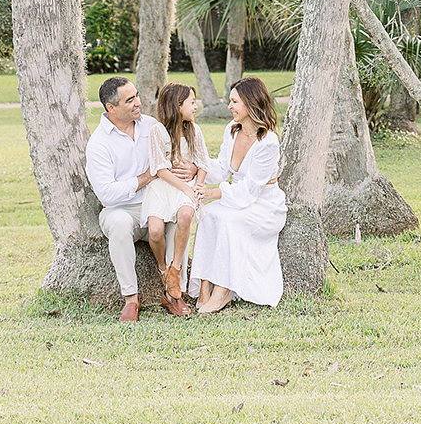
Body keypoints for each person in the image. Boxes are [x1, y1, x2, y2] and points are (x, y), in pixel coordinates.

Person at [85, 76, 188, 322]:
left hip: (156, 202)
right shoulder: (99, 143)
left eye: (137, 96)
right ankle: (131, 298)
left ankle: (173, 292)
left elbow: (172, 159)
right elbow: (107, 194)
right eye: (129, 100)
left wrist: (189, 169)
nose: (138, 103)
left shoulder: (152, 126)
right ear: (111, 108)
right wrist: (145, 177)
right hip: (122, 209)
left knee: (181, 216)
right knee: (118, 224)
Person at [189, 75, 287, 312]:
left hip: (265, 206)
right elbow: (223, 168)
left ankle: (223, 291)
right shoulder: (232, 131)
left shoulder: (268, 142)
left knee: (228, 221)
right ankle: (204, 288)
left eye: (235, 102)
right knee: (208, 215)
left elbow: (250, 190)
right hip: (237, 198)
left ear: (251, 104)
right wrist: (197, 165)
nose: (229, 106)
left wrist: (214, 193)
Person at [141, 81, 209, 306]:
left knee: (186, 215)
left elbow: (203, 164)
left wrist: (195, 187)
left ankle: (177, 269)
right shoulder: (157, 131)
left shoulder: (194, 130)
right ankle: (164, 269)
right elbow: (160, 169)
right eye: (191, 102)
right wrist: (186, 188)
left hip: (185, 186)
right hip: (163, 187)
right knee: (155, 231)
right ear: (177, 105)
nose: (195, 106)